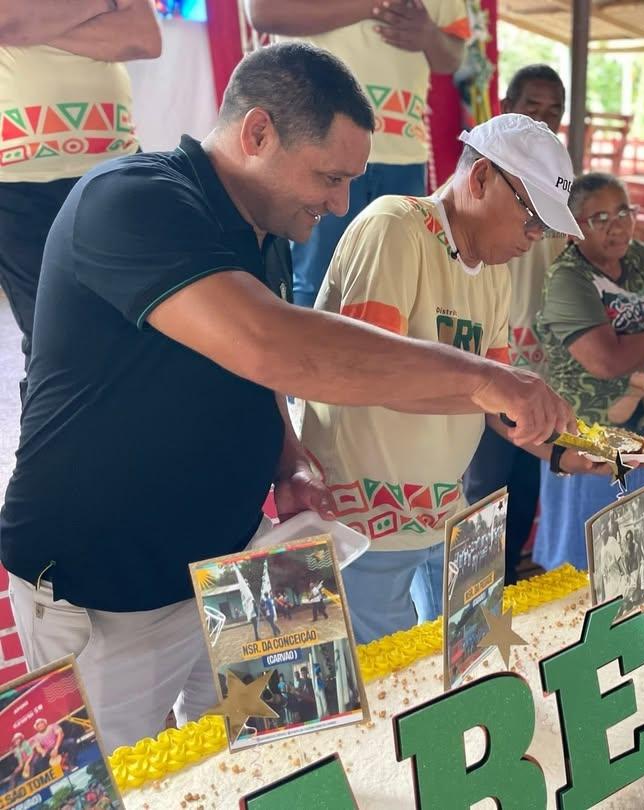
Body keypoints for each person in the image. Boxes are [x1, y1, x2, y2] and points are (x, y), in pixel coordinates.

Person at [0, 43, 573, 754]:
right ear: (257, 133)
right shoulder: (133, 199)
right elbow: (271, 344)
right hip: (113, 587)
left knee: (271, 762)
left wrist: (287, 461)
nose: (338, 204)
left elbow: (248, 374)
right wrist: (486, 380)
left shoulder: (259, 231)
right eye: (330, 178)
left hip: (237, 560)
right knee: (135, 785)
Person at [300, 113, 599, 643]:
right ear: (481, 177)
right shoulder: (395, 226)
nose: (534, 239)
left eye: (545, 229)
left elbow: (495, 401)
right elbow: (374, 376)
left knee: (468, 661)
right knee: (385, 690)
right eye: (532, 218)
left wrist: (560, 449)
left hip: (445, 513)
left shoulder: (494, 273)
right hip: (365, 526)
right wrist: (499, 388)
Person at [246, 0, 468, 307]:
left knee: (398, 289)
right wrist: (374, 6)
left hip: (404, 155)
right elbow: (263, 13)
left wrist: (430, 36)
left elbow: (454, 56)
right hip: (316, 147)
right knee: (315, 285)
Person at [532, 173, 644, 572]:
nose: (618, 225)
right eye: (600, 218)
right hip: (590, 445)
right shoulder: (568, 281)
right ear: (573, 230)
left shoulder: (636, 258)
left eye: (624, 212)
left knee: (638, 558)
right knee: (582, 566)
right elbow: (605, 362)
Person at [0, 0, 161, 402]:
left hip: (115, 167)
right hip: (18, 180)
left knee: (132, 323)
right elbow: (10, 22)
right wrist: (104, 6)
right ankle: (48, 461)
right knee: (51, 337)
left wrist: (31, 29)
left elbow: (143, 37)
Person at [462, 64, 569, 585]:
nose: (544, 121)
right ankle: (477, 599)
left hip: (531, 370)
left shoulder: (554, 196)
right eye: (532, 108)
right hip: (479, 378)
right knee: (485, 490)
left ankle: (501, 590)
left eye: (554, 113)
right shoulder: (468, 211)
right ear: (506, 104)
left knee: (525, 487)